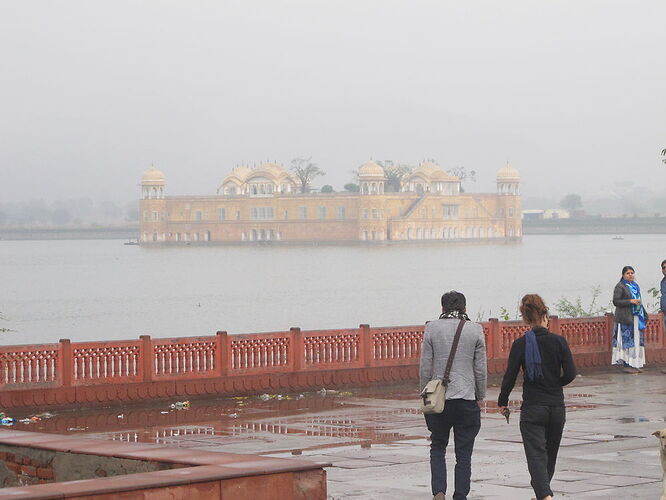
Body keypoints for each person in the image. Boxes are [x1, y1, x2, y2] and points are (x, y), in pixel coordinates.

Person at [498, 294, 576, 500]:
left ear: (526, 319)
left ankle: (545, 495)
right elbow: (570, 373)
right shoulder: (559, 341)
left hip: (533, 407)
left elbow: (510, 376)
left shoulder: (521, 344)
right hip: (556, 407)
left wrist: (502, 401)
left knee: (535, 455)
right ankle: (543, 492)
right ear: (545, 315)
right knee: (549, 455)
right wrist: (554, 384)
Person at [419, 291, 487, 500]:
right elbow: (480, 370)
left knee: (438, 446)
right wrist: (480, 396)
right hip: (466, 399)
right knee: (464, 453)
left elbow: (425, 368)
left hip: (439, 401)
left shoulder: (431, 328)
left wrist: (425, 395)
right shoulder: (475, 330)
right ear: (465, 309)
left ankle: (439, 491)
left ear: (442, 309)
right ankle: (460, 495)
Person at [612, 265, 647, 374]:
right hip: (625, 318)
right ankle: (626, 365)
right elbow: (616, 301)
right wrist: (630, 301)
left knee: (636, 341)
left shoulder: (635, 286)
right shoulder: (620, 286)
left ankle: (635, 364)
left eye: (632, 273)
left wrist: (644, 313)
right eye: (628, 273)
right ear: (623, 275)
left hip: (636, 317)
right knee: (627, 341)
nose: (630, 275)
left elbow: (639, 300)